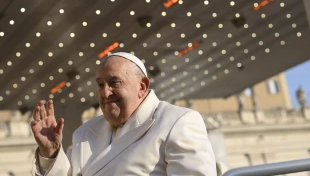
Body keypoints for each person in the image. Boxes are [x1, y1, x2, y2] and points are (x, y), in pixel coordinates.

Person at [31, 52, 217, 176]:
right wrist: (51, 152)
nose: (105, 92)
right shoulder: (84, 132)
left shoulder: (177, 122)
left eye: (115, 82)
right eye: (100, 84)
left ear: (142, 87)